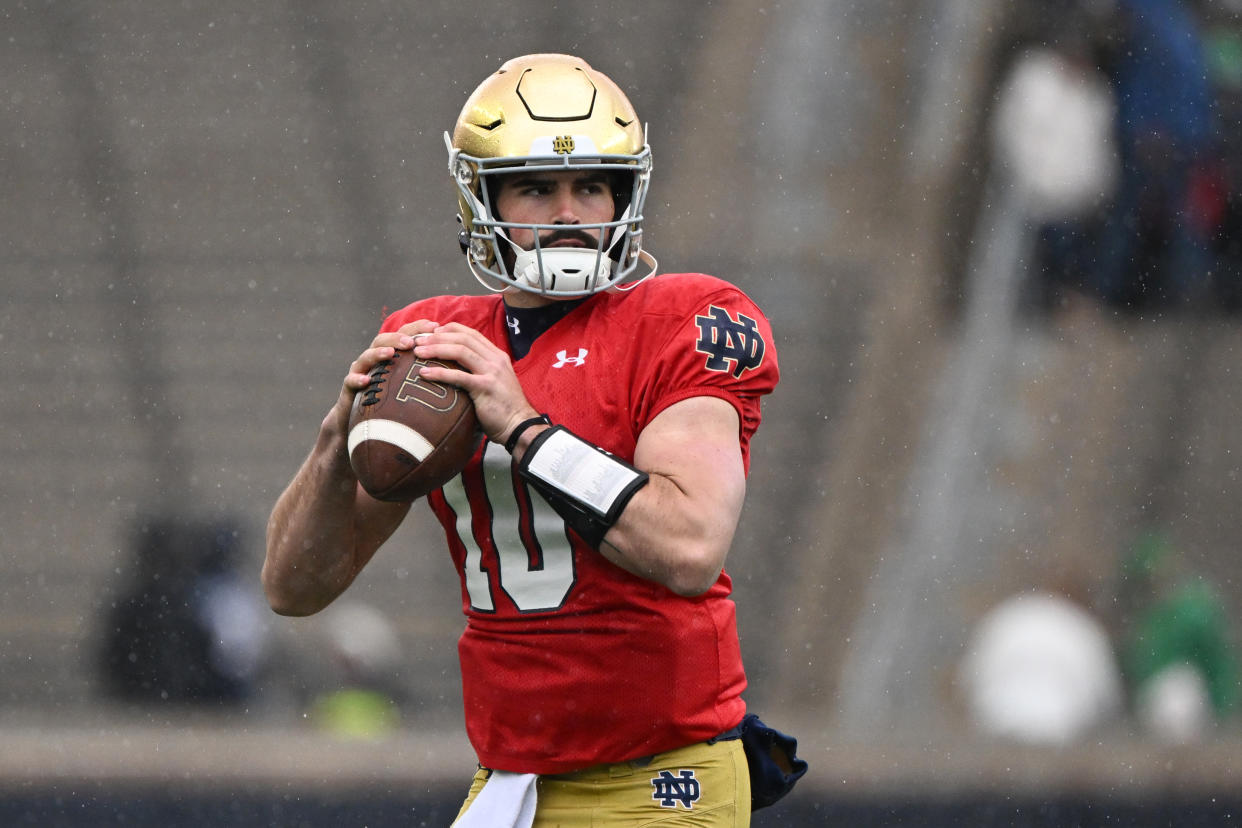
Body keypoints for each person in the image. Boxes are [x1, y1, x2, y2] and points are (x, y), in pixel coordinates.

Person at [262, 54, 802, 826]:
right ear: (481, 199)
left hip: (658, 781)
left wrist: (522, 427)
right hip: (512, 781)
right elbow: (294, 587)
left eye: (591, 186)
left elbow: (690, 546)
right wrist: (331, 444)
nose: (570, 211)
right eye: (536, 187)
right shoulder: (434, 346)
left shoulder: (683, 318)